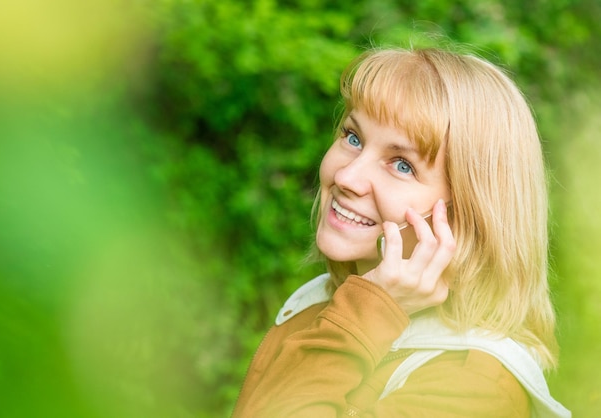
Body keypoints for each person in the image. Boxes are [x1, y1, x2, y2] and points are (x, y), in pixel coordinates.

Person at [231, 46, 571, 417]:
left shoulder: (474, 386)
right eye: (353, 137)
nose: (347, 177)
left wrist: (364, 316)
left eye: (402, 165)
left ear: (468, 215)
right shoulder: (322, 303)